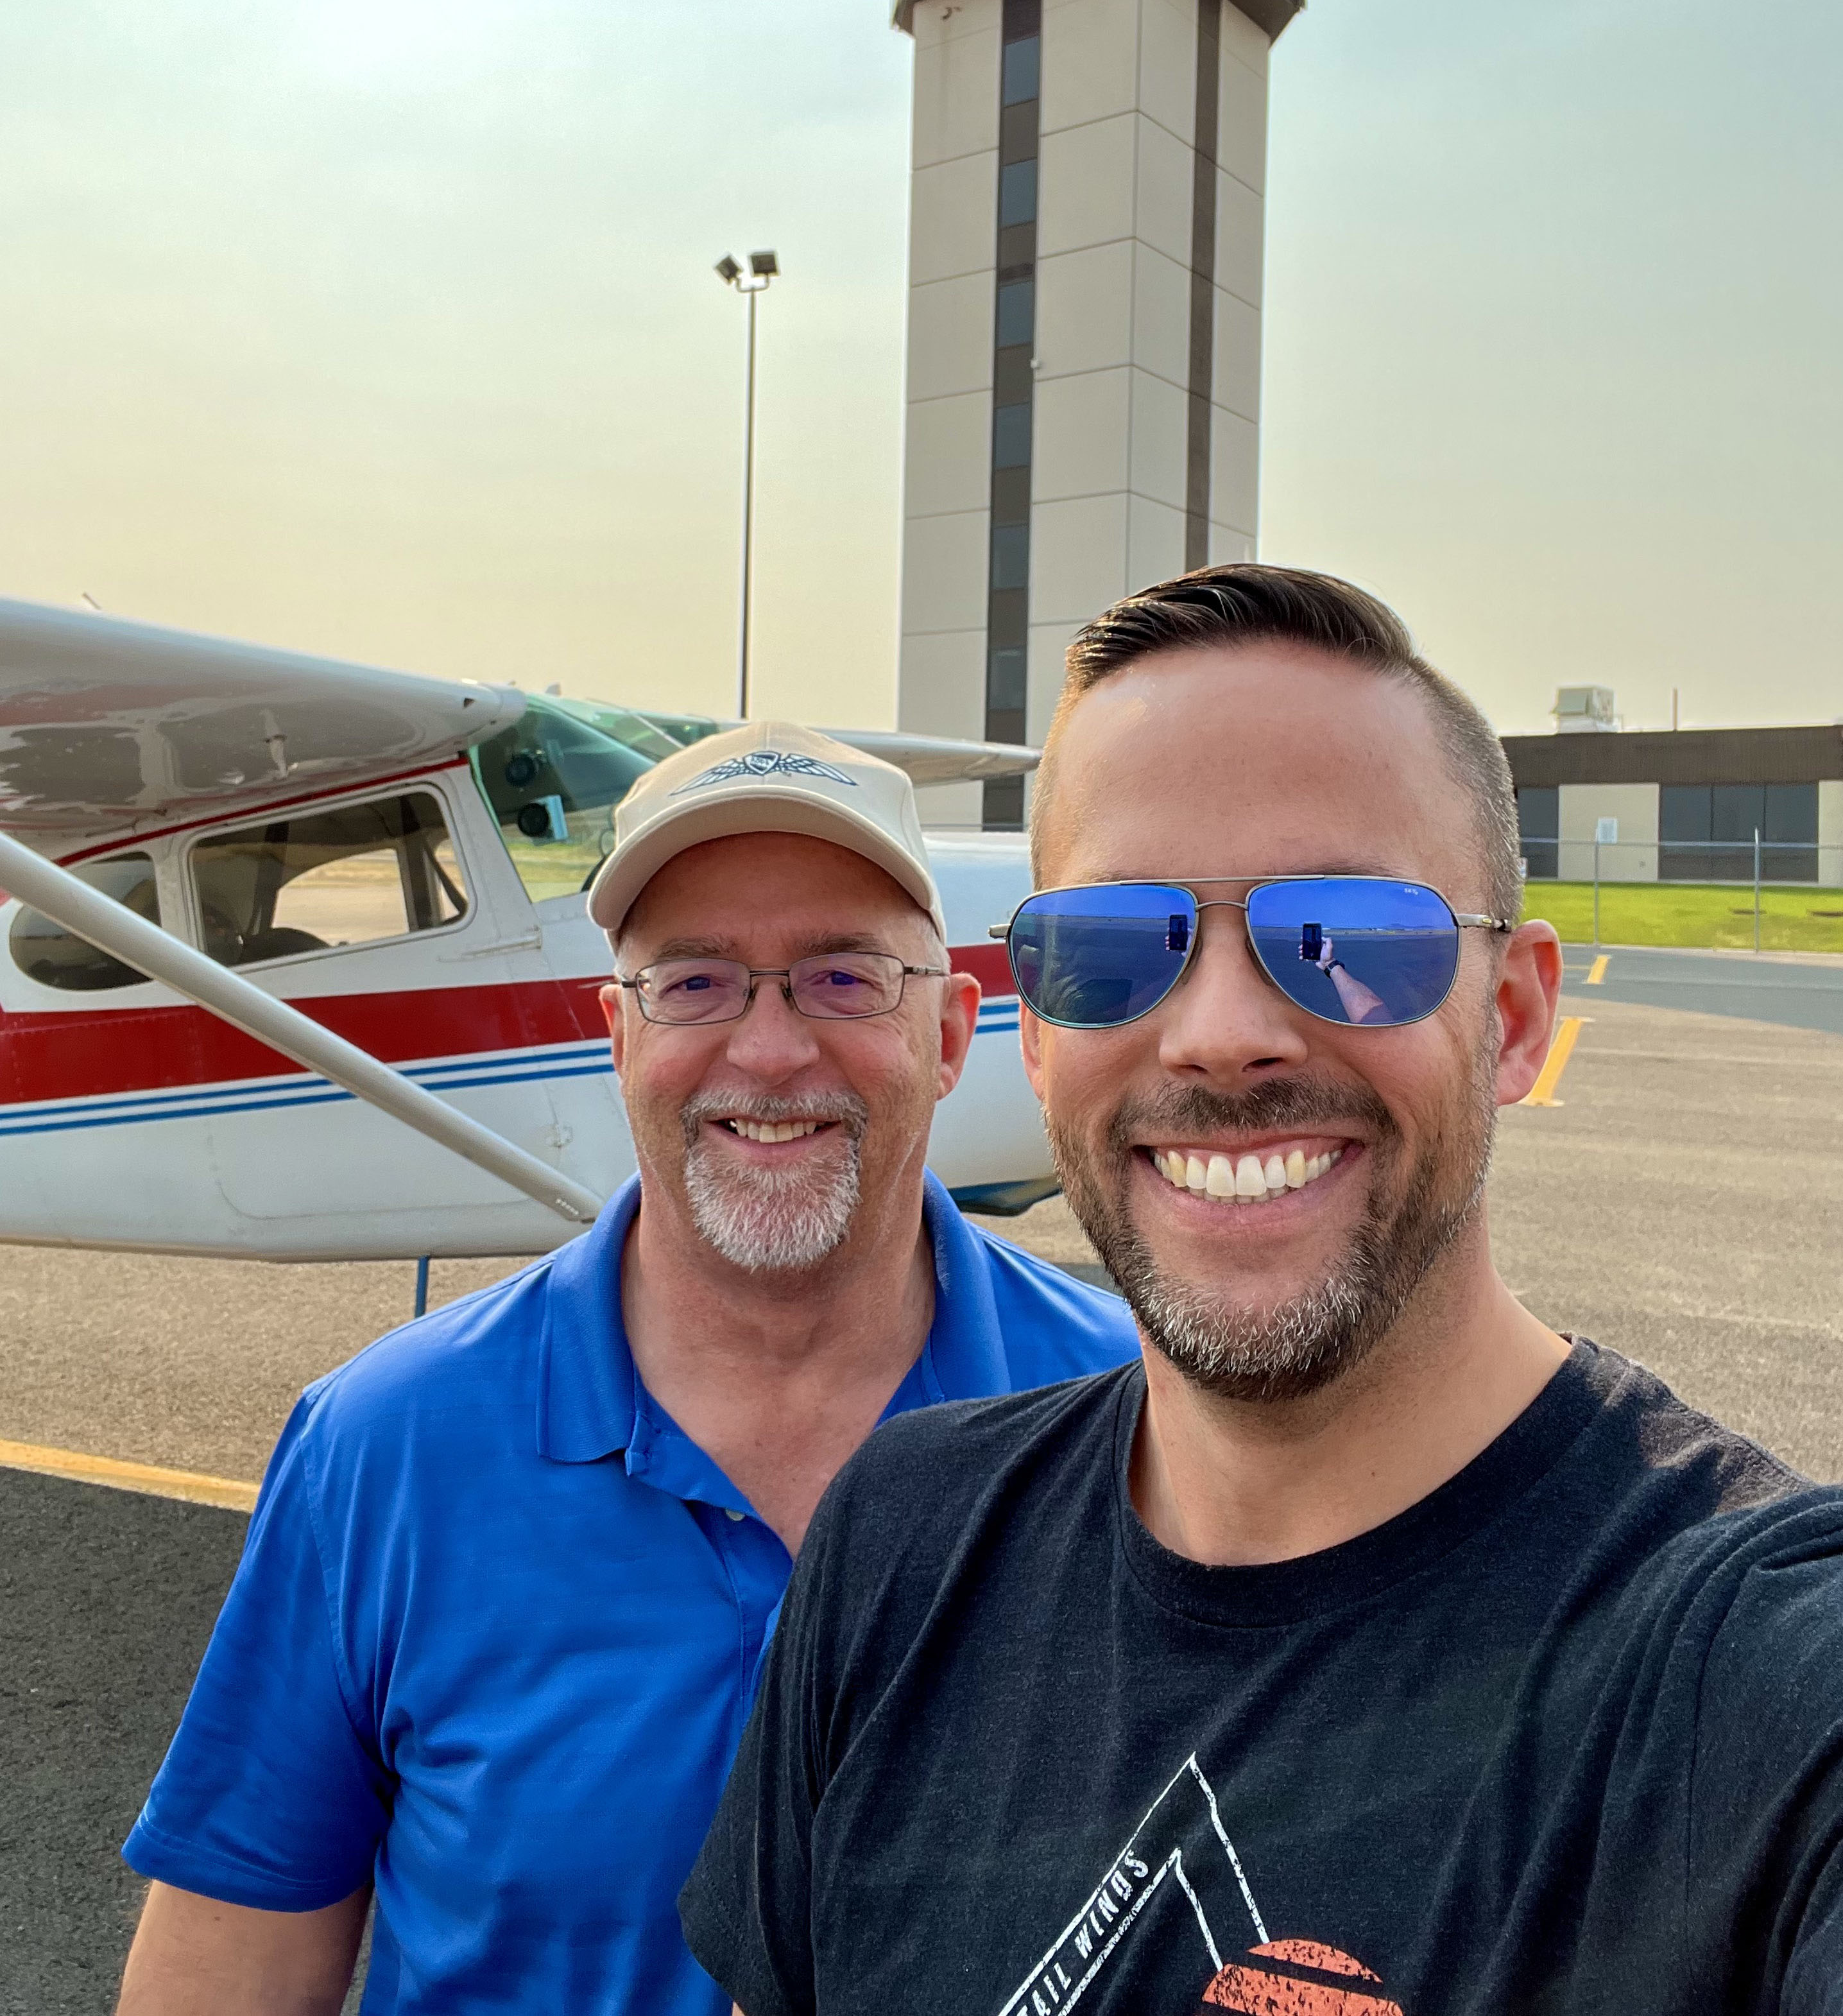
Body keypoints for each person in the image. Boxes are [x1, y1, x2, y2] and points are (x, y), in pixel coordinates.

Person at [683, 570, 1843, 2016]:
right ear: (1036, 1036)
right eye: (1112, 946)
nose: (1220, 1033)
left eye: (1348, 937)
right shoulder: (898, 1549)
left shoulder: (1758, 1679)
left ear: (1516, 1017)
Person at [115, 721, 1136, 2016]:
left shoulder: (1144, 1423)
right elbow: (227, 1973)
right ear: (617, 1035)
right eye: (695, 982)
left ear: (948, 1034)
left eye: (842, 977)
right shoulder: (383, 1445)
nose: (768, 1051)